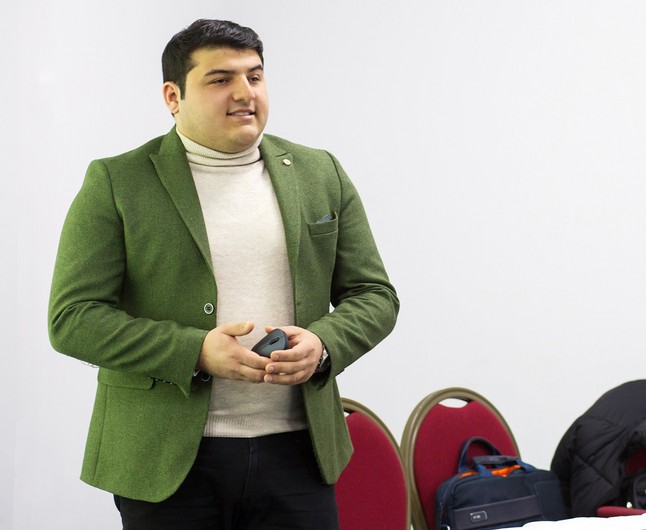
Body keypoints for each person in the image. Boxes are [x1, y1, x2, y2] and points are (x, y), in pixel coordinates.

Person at [47, 18, 399, 530]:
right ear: (173, 96)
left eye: (254, 76)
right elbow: (72, 319)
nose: (244, 92)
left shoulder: (320, 172)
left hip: (300, 455)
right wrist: (195, 352)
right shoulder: (117, 181)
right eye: (220, 79)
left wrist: (324, 344)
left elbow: (374, 294)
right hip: (166, 461)